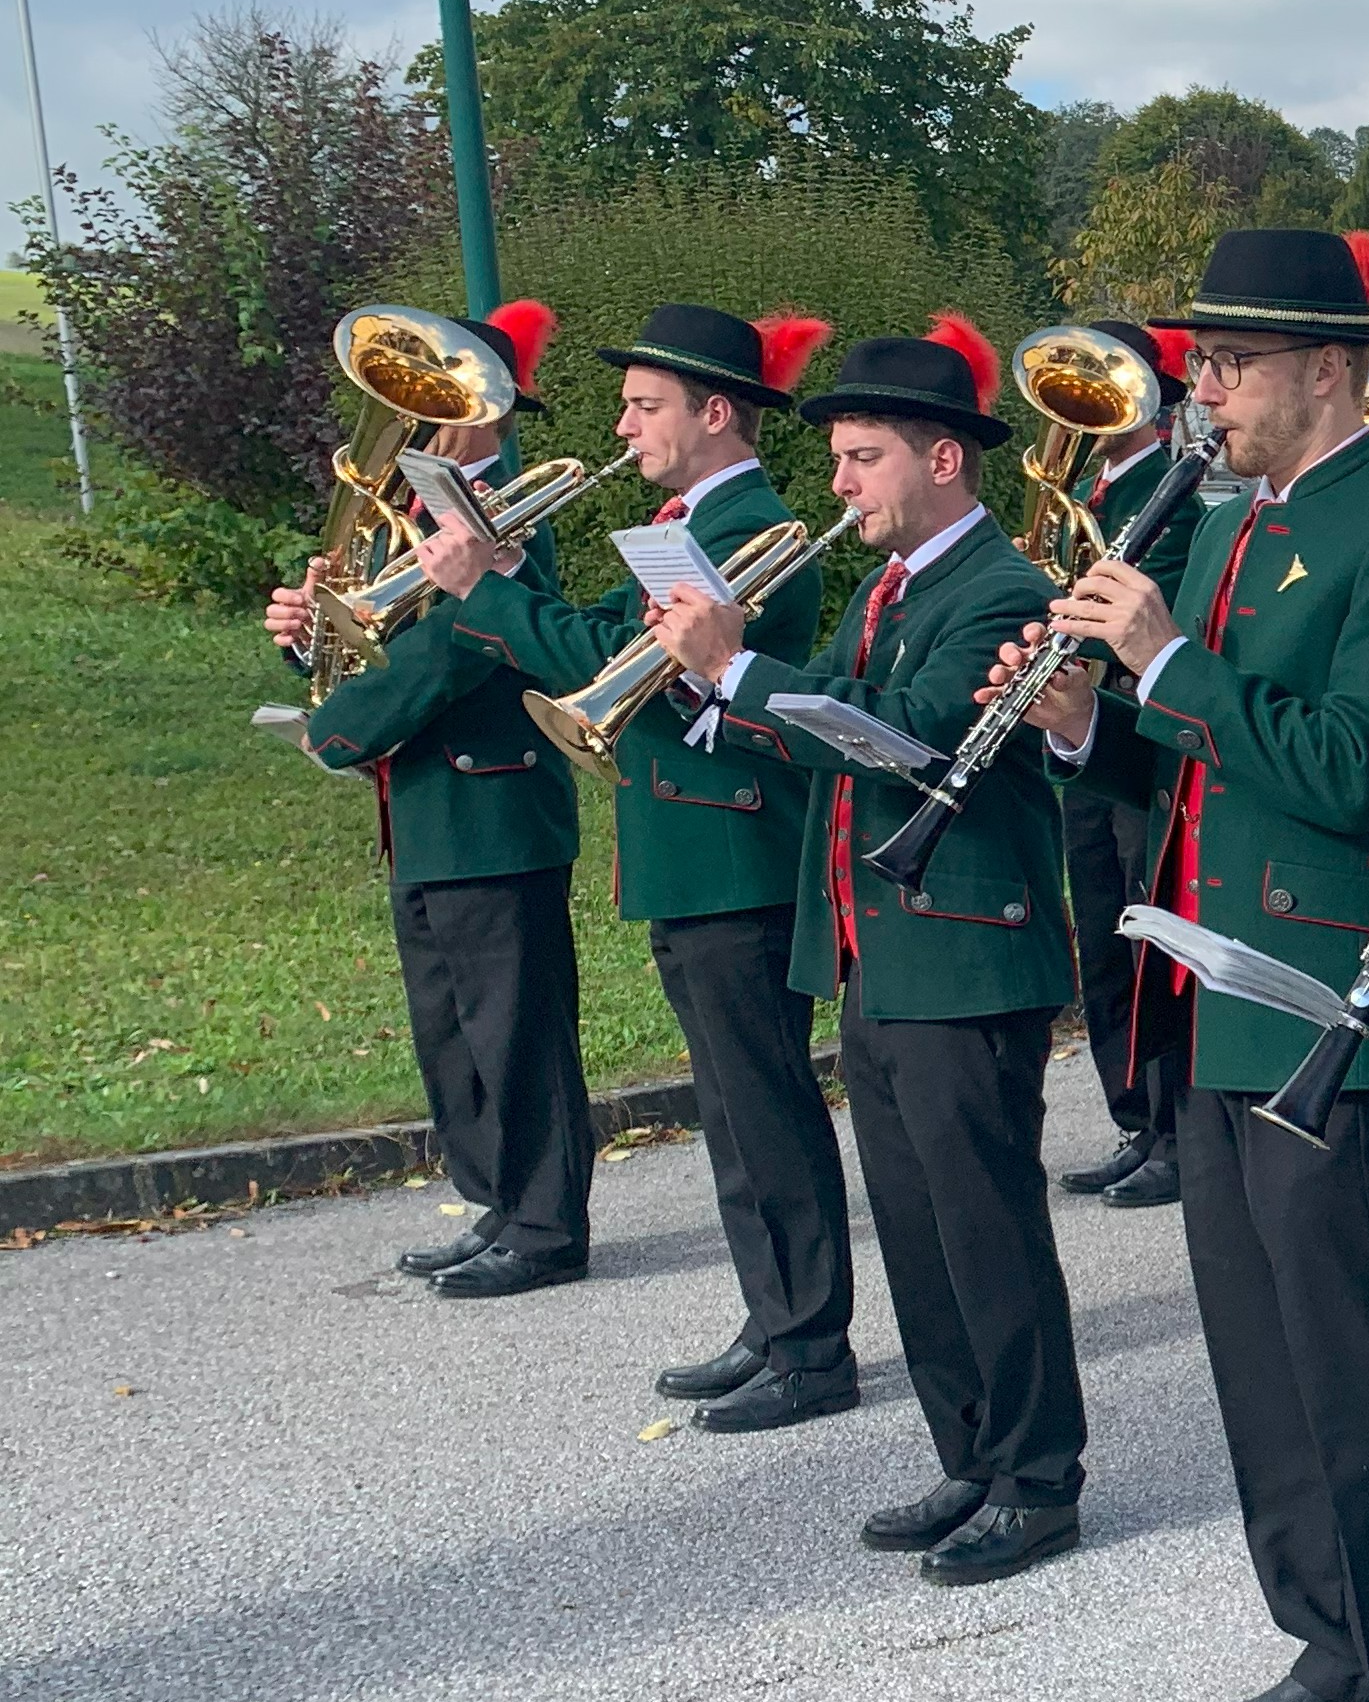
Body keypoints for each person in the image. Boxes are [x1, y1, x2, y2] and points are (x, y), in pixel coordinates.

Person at [998, 228, 1369, 1702]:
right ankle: (1329, 1637)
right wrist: (1089, 723)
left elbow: (1360, 768)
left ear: (1332, 373)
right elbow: (1185, 763)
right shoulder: (1222, 526)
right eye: (1203, 366)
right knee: (1260, 1350)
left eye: (1230, 365)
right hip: (1204, 990)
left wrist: (1164, 659)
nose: (1203, 391)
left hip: (1327, 993)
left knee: (1362, 1352)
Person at [654, 314, 1088, 1584]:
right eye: (839, 461)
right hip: (877, 957)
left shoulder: (996, 588)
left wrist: (738, 669)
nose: (838, 486)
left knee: (986, 1228)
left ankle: (1039, 1476)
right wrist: (694, 685)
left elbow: (904, 733)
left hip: (964, 958)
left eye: (860, 459)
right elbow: (815, 728)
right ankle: (970, 1455)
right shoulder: (888, 588)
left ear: (942, 461)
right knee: (913, 1227)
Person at [413, 302, 854, 1416]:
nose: (623, 420)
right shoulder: (681, 518)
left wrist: (487, 592)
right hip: (693, 856)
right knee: (732, 1113)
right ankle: (774, 1319)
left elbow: (603, 656)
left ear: (716, 413)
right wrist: (507, 580)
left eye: (644, 404)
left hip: (735, 858)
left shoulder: (743, 524)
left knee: (765, 1110)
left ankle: (811, 1345)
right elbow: (591, 634)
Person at [271, 297, 595, 1301]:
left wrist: (337, 734)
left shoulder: (503, 512)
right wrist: (308, 637)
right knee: (451, 1029)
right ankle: (499, 1203)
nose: (414, 416)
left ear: (483, 407)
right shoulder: (414, 512)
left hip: (493, 809)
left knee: (515, 1031)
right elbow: (378, 646)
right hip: (425, 809)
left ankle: (545, 1227)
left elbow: (449, 657)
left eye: (434, 397)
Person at [1050, 321, 1195, 1215]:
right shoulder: (1080, 497)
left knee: (1147, 932)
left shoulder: (1171, 499)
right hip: (1083, 733)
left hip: (1139, 732)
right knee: (1101, 935)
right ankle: (1134, 1115)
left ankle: (1175, 1127)